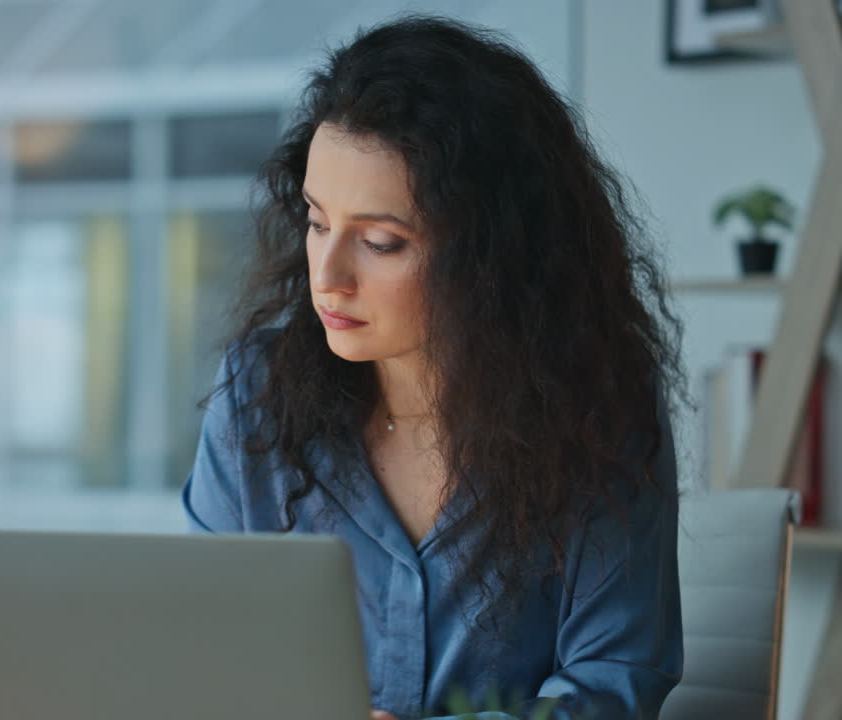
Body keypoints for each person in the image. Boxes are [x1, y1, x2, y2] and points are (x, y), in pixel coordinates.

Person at [182, 14, 685, 720]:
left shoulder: (598, 408)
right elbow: (198, 649)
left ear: (490, 255)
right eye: (317, 221)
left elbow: (612, 687)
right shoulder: (258, 394)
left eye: (382, 242)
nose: (326, 275)